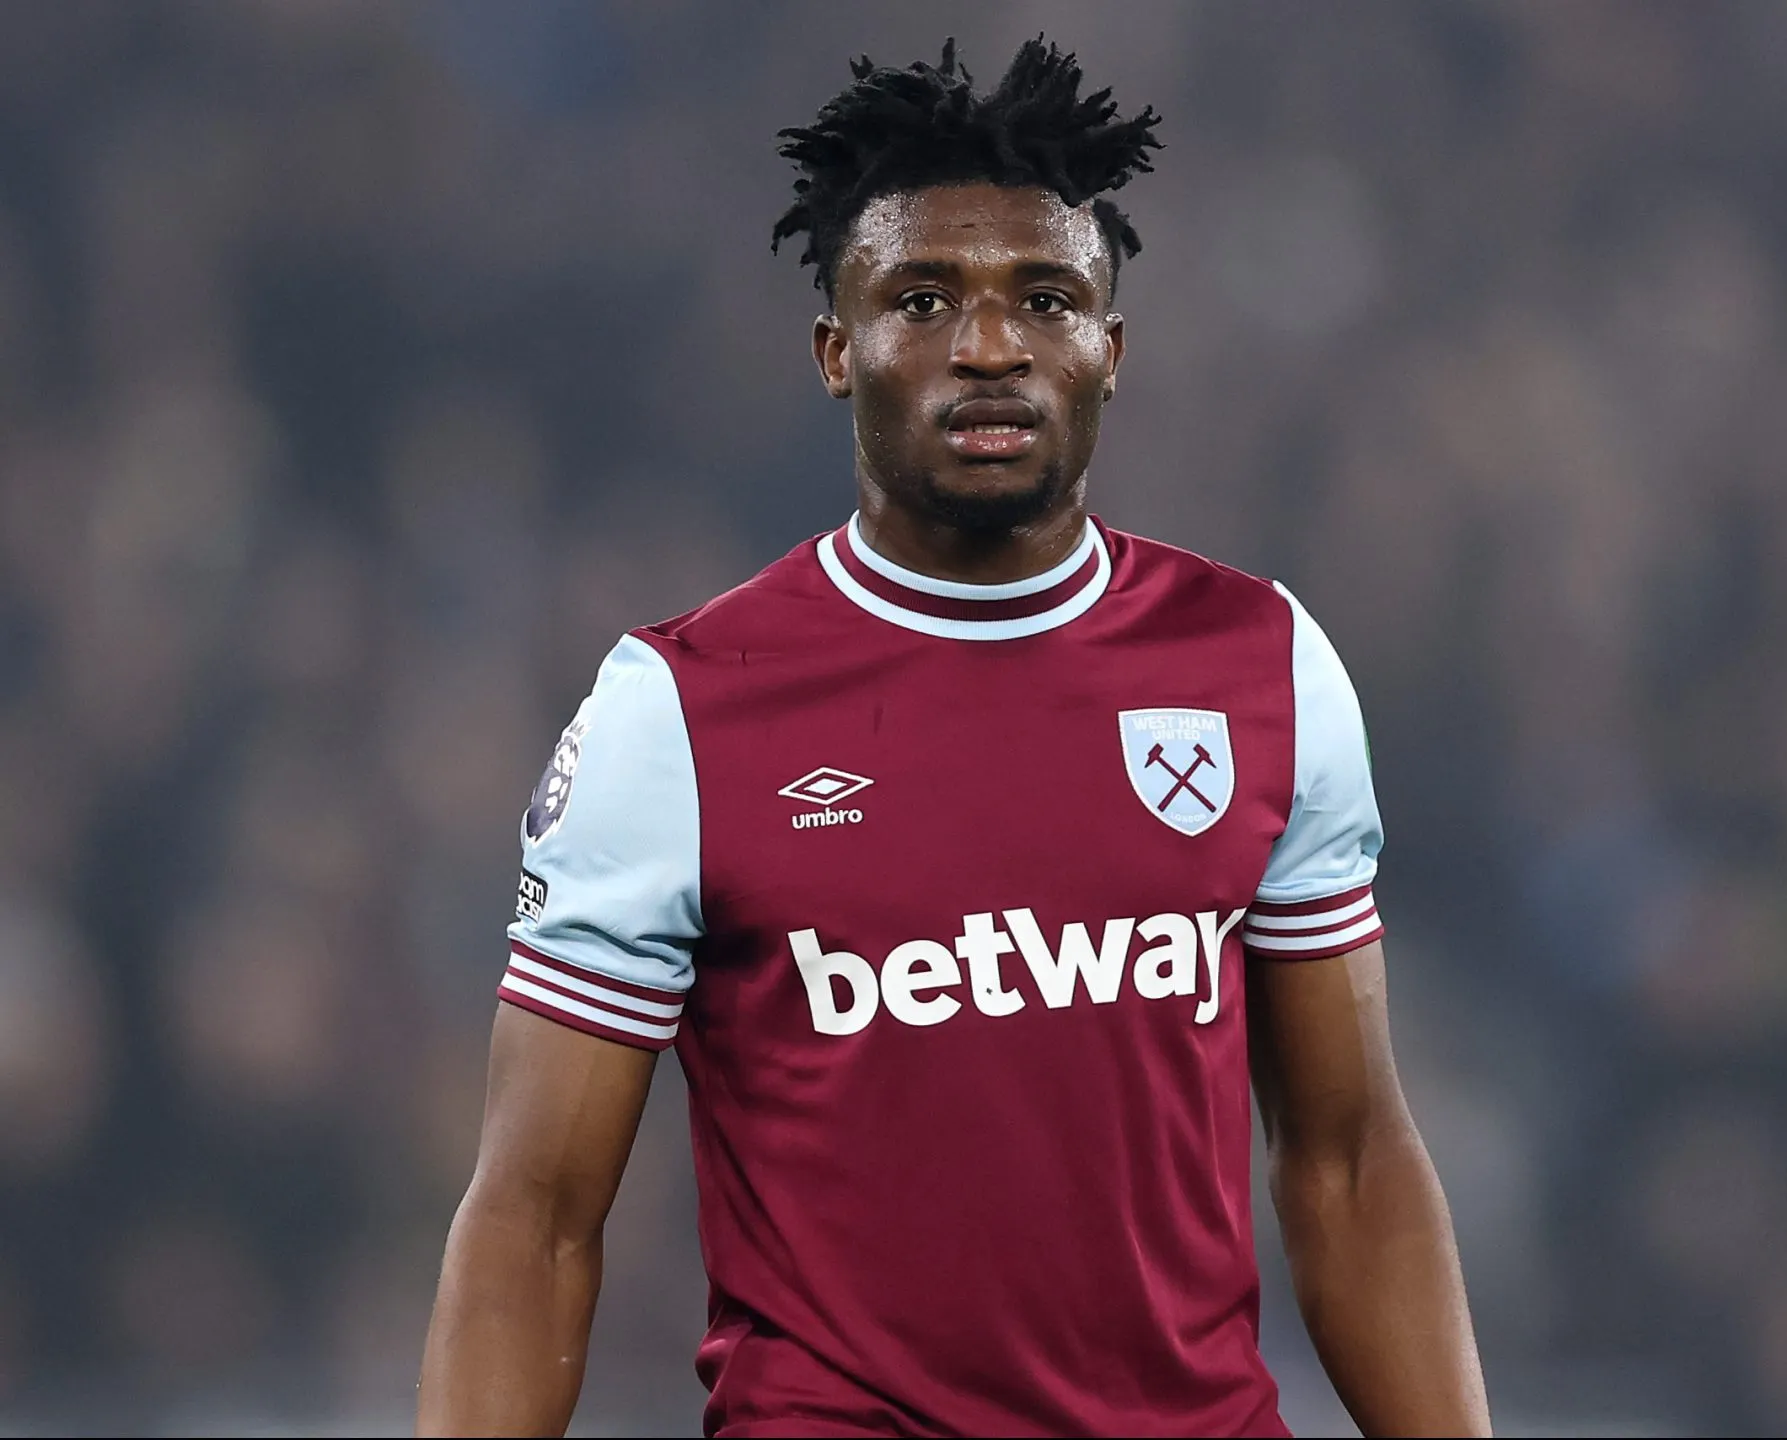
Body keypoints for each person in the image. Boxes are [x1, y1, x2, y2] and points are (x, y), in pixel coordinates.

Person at [416, 38, 1488, 1439]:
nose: (988, 345)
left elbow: (1347, 1164)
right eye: (922, 300)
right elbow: (534, 1222)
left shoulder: (1263, 664)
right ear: (831, 353)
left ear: (1111, 350)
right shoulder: (676, 712)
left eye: (1044, 298)